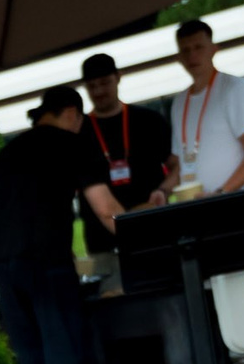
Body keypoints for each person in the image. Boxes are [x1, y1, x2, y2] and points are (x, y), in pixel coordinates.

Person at [0, 85, 130, 364]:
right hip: (46, 265)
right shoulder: (74, 144)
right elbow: (105, 209)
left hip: (4, 265)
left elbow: (14, 211)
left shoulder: (8, 151)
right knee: (62, 361)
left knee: (35, 363)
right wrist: (145, 240)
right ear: (72, 113)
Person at [168, 19, 244, 229]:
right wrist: (162, 191)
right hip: (198, 211)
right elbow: (182, 163)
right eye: (185, 50)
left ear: (214, 49)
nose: (192, 55)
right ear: (178, 57)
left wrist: (222, 194)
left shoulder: (235, 89)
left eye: (198, 47)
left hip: (239, 207)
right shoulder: (179, 102)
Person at [74, 51, 173, 256]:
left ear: (118, 77)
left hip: (155, 228)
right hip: (103, 241)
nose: (99, 91)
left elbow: (177, 165)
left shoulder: (148, 120)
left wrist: (164, 190)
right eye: (92, 86)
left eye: (105, 83)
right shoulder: (79, 132)